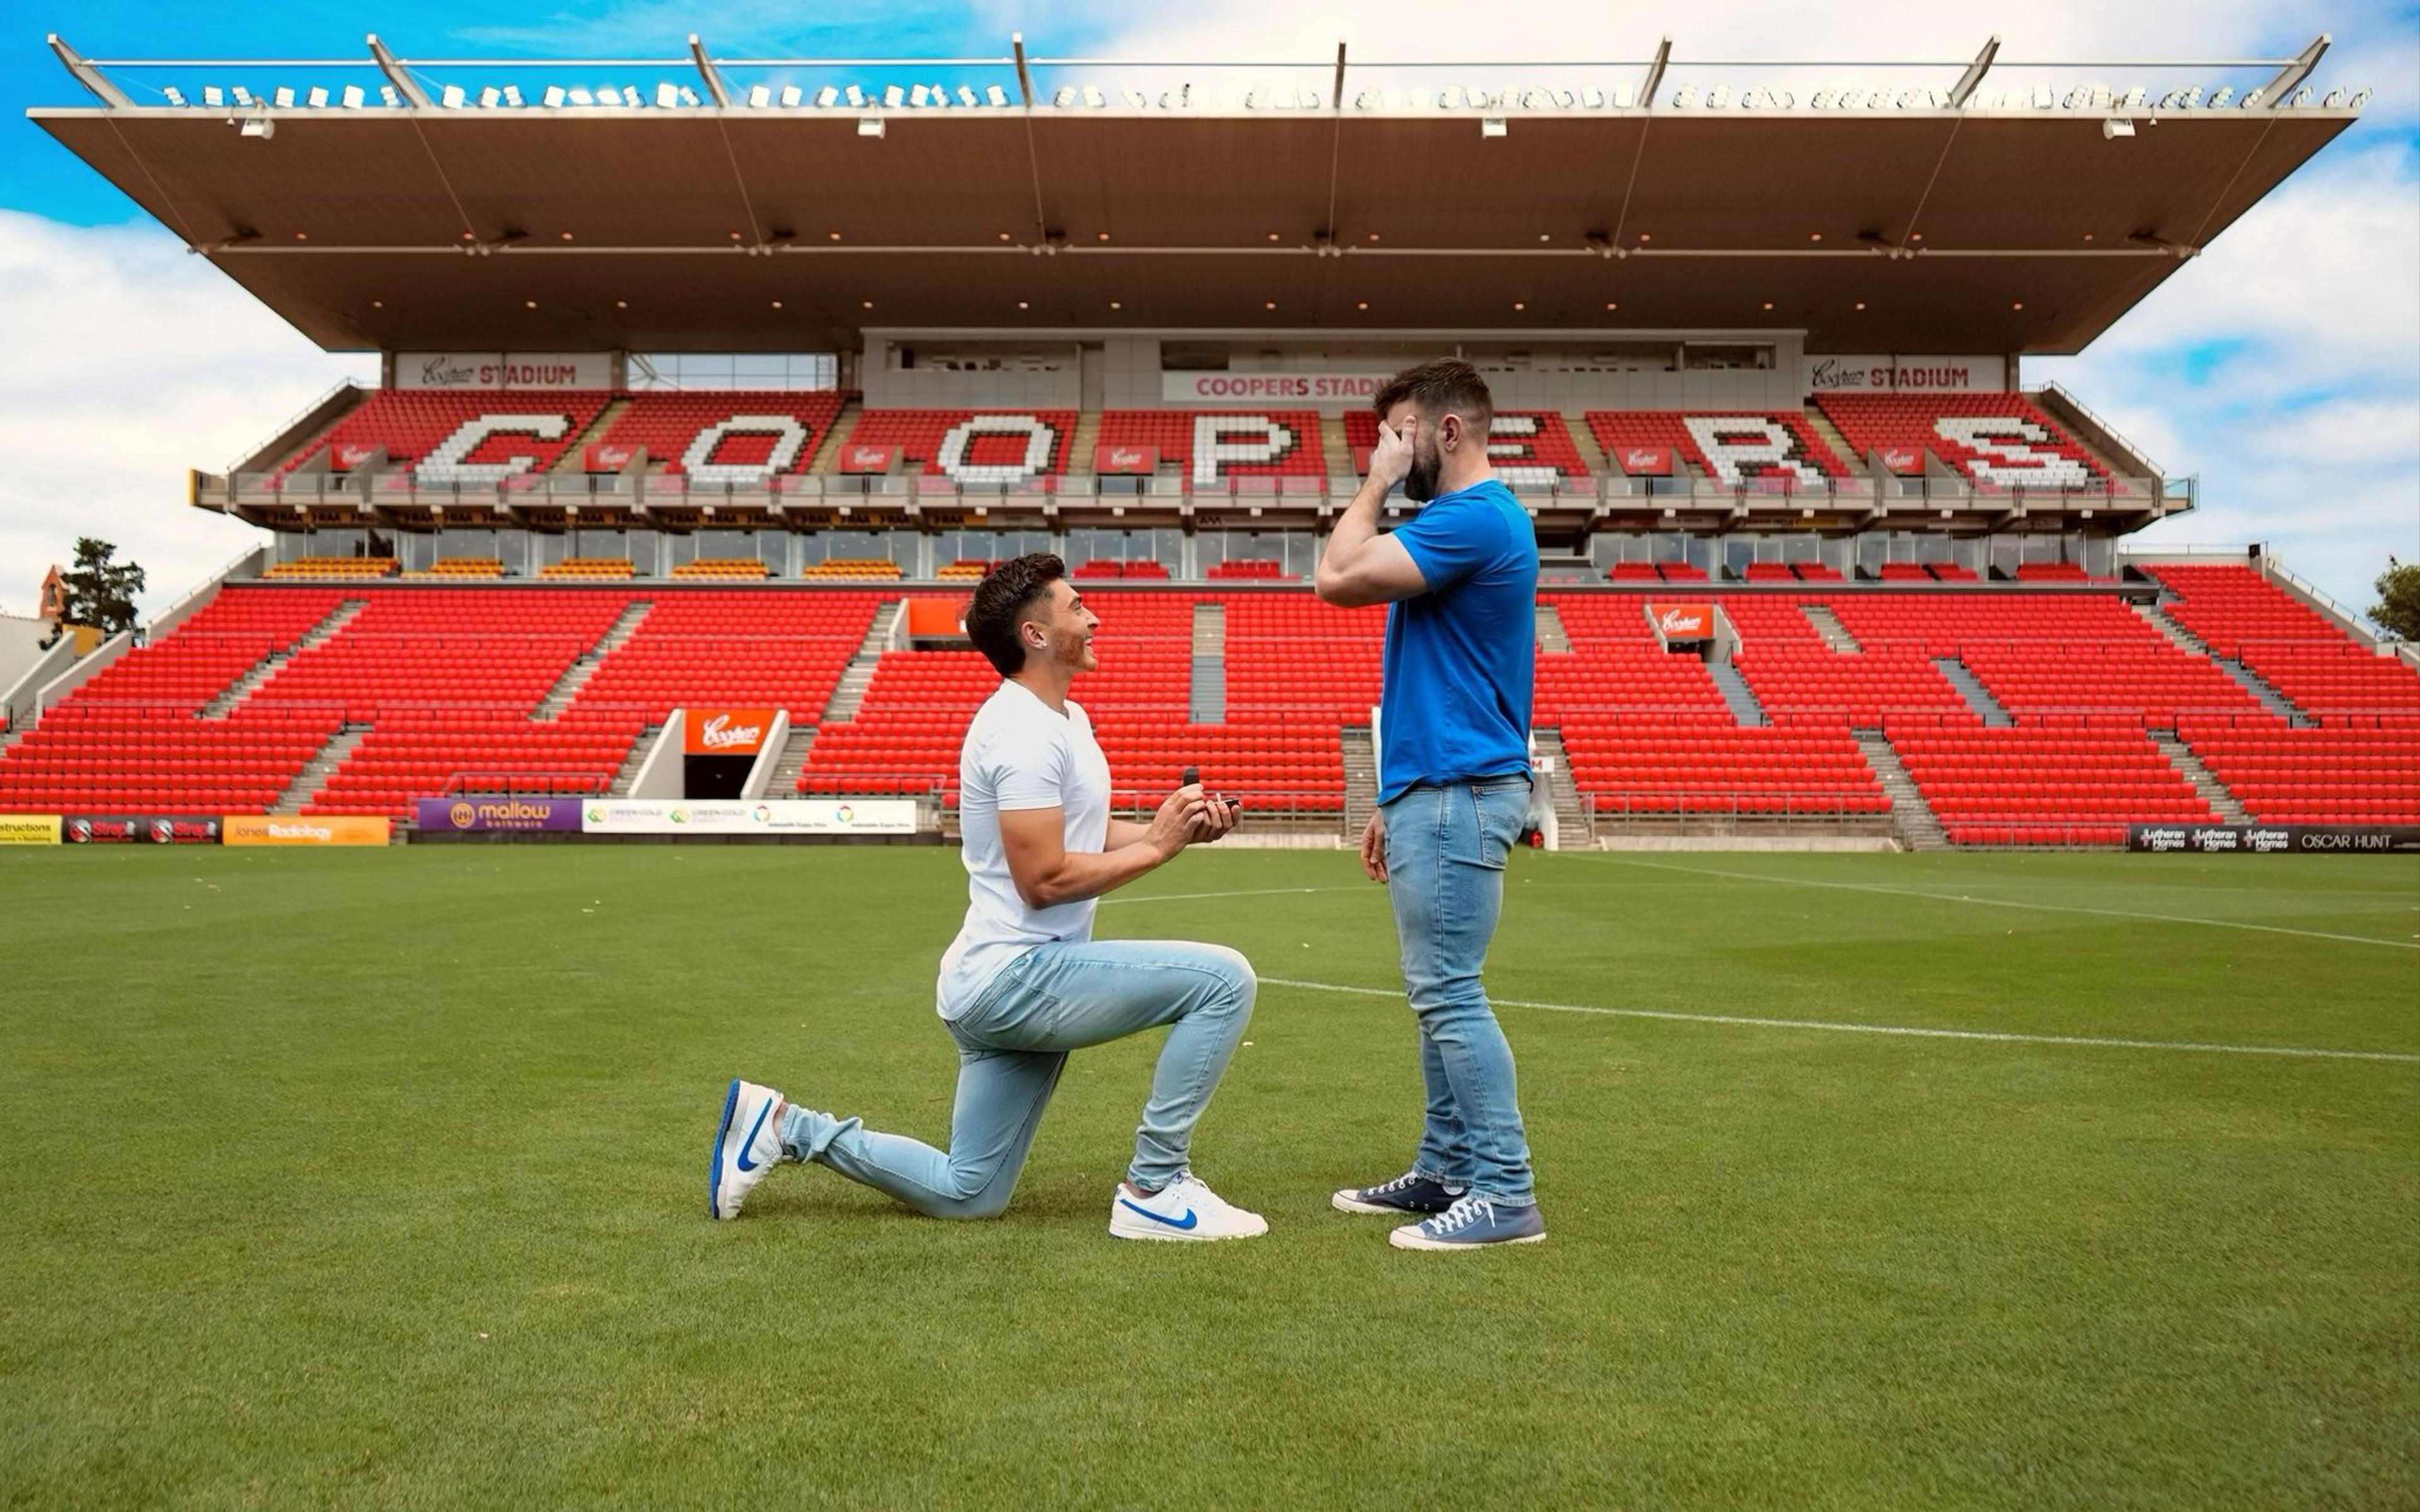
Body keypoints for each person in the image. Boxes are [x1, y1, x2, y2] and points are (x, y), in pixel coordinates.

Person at [710, 553, 1266, 1242]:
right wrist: (1156, 848)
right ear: (1035, 635)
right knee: (1223, 981)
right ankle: (1155, 1187)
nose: (1093, 617)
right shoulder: (1022, 732)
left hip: (1000, 983)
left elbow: (1085, 835)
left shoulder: (1065, 720)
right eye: (1075, 607)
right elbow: (1046, 881)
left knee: (968, 1193)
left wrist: (1170, 830)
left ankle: (786, 1127)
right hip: (1015, 978)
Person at [1315, 358, 1546, 1251]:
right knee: (1436, 992)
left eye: (1400, 432)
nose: (1388, 449)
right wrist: (1391, 796)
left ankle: (1505, 1191)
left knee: (1448, 992)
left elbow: (1334, 578)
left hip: (1457, 789)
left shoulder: (1473, 518)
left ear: (1447, 432)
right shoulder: (1470, 521)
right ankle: (1449, 1168)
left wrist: (1373, 483)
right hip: (1435, 785)